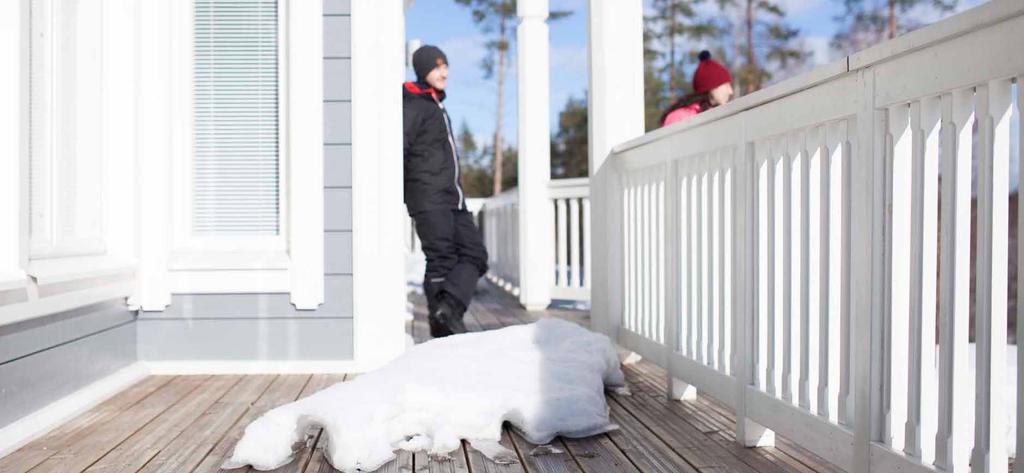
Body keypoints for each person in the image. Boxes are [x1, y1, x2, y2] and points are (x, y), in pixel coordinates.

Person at [403, 45, 488, 338]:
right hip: (428, 196)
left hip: (453, 196)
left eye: (446, 66)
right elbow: (399, 149)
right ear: (423, 70)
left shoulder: (435, 105)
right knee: (441, 259)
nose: (445, 72)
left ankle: (448, 310)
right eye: (437, 66)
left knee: (475, 254)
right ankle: (444, 329)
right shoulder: (413, 105)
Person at [660, 50, 734, 127]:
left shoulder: (722, 116)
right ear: (712, 87)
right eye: (726, 85)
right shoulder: (679, 117)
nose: (730, 91)